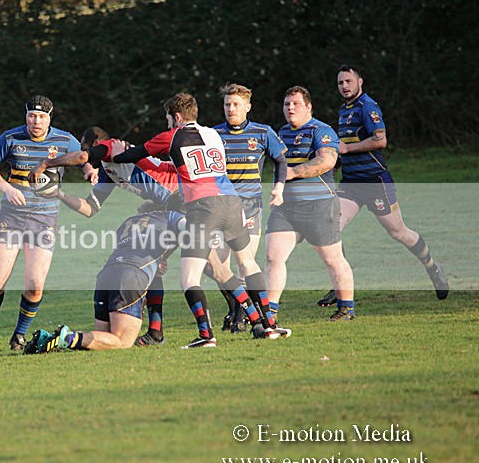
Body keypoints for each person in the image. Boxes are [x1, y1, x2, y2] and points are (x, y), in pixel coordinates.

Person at [112, 93, 289, 347]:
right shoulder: (213, 134)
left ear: (176, 117)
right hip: (232, 201)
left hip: (203, 208)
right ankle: (269, 325)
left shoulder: (173, 135)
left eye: (168, 119)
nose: (167, 124)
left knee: (189, 278)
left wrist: (118, 155)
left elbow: (137, 154)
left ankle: (206, 336)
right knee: (248, 263)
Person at [28, 125, 181, 346]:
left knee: (206, 265)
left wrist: (45, 164)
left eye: (86, 147)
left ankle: (243, 314)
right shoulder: (110, 170)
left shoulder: (111, 147)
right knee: (155, 266)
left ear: (95, 145)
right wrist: (58, 193)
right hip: (169, 208)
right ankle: (156, 332)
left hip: (185, 198)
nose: (86, 157)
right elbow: (90, 208)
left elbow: (81, 157)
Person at [315, 65, 448, 306]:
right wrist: (336, 161)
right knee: (329, 226)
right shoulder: (344, 110)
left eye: (348, 81)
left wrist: (346, 149)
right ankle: (339, 286)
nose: (344, 86)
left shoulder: (368, 106)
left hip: (375, 181)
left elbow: (380, 140)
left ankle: (432, 268)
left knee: (398, 232)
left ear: (359, 82)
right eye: (340, 83)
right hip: (351, 183)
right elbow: (345, 144)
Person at [0, 95, 94, 352]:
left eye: (41, 117)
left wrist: (89, 171)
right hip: (12, 217)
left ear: (50, 118)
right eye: (31, 116)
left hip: (45, 219)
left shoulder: (63, 139)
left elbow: (82, 157)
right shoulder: (10, 138)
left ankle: (19, 335)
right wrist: (6, 188)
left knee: (35, 283)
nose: (35, 121)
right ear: (26, 116)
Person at [23, 209, 186, 353]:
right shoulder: (170, 219)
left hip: (107, 274)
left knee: (103, 341)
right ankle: (67, 337)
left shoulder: (129, 222)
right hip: (130, 276)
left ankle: (51, 339)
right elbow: (189, 231)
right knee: (122, 341)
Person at [265, 86, 355, 321]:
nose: (290, 108)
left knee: (332, 259)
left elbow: (327, 160)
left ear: (308, 107)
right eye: (287, 104)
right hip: (285, 208)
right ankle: (270, 312)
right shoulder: (280, 133)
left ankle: (346, 308)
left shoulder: (321, 130)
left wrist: (293, 172)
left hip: (319, 205)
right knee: (274, 257)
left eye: (295, 104)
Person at [213, 83, 287, 332]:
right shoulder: (212, 135)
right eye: (227, 104)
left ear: (248, 107)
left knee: (245, 263)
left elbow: (280, 160)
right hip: (220, 206)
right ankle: (241, 309)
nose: (231, 109)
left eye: (235, 104)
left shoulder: (262, 132)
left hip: (249, 206)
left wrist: (279, 187)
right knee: (216, 266)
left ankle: (241, 316)